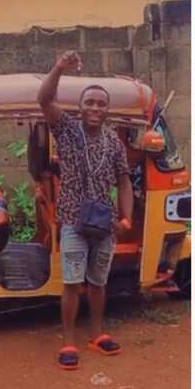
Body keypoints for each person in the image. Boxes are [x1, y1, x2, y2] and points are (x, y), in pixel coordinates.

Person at [37, 50, 134, 370]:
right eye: (89, 102)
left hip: (105, 224)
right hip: (73, 221)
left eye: (100, 103)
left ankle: (97, 334)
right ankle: (68, 341)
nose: (95, 107)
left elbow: (124, 182)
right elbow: (44, 98)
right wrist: (59, 67)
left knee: (98, 282)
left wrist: (126, 218)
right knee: (71, 283)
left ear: (107, 110)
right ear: (80, 107)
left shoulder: (114, 143)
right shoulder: (65, 130)